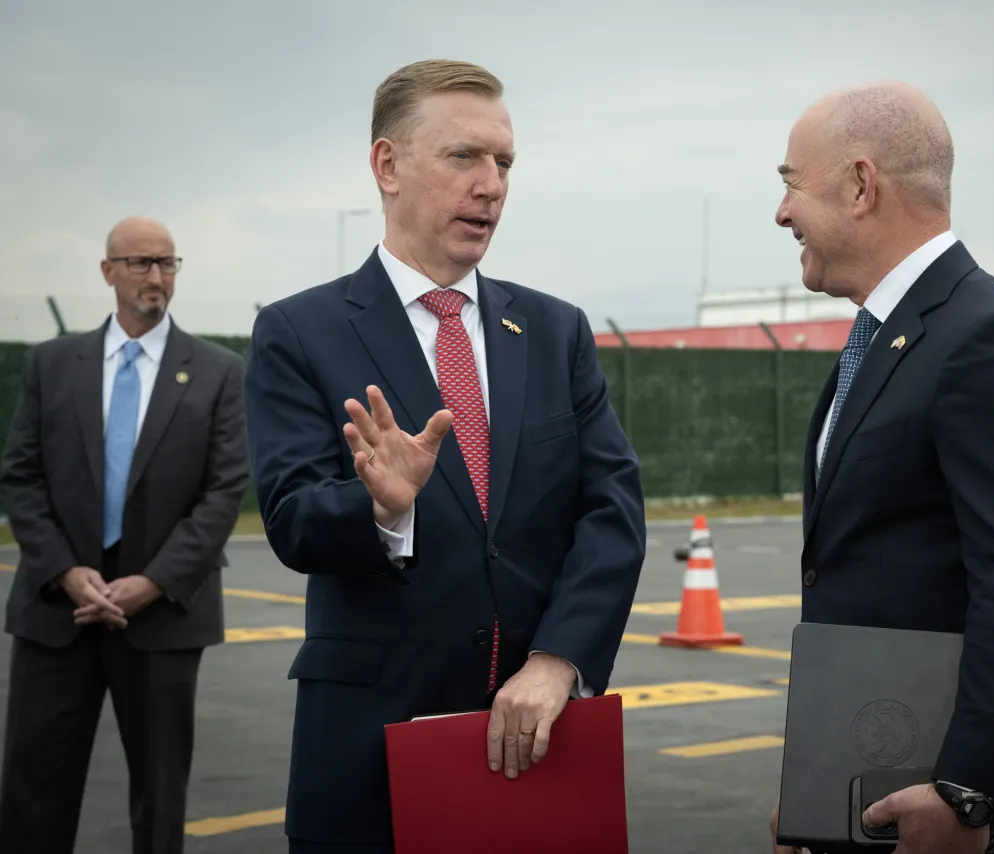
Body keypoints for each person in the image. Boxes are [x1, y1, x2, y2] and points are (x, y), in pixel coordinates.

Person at [242, 59, 646, 853]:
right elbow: (291, 519)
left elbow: (612, 509)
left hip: (539, 738)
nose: (492, 184)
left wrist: (559, 661)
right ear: (387, 166)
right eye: (465, 157)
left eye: (505, 163)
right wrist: (383, 506)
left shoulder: (556, 330)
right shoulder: (300, 331)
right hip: (370, 746)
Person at [766, 82, 994, 853]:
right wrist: (816, 786)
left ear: (860, 184)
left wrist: (970, 792)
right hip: (871, 773)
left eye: (789, 185)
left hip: (949, 801)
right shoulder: (887, 336)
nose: (781, 213)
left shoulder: (987, 339)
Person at [0, 215, 250, 854]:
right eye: (140, 263)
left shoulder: (220, 371)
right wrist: (63, 570)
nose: (156, 277)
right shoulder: (53, 363)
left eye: (168, 264)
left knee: (161, 801)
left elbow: (224, 492)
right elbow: (21, 477)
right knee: (33, 794)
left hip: (163, 618)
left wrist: (155, 581)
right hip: (57, 614)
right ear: (108, 271)